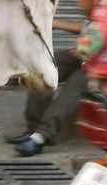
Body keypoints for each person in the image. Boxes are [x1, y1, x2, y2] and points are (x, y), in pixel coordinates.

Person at [9, 22, 86, 157]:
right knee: (45, 66)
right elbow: (90, 25)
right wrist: (56, 24)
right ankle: (32, 128)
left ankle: (42, 136)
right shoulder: (103, 3)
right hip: (86, 52)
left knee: (79, 79)